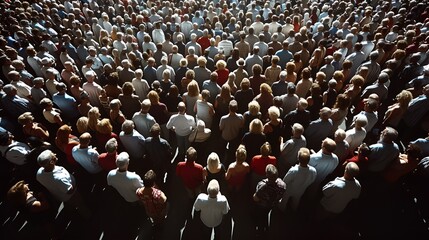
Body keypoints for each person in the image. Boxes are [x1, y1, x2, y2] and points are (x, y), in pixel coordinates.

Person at [36, 149, 91, 219]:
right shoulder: (59, 178)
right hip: (71, 196)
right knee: (80, 204)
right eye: (53, 155)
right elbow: (69, 191)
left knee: (69, 204)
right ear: (51, 162)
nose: (55, 154)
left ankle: (71, 211)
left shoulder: (39, 172)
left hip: (60, 195)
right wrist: (75, 183)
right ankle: (88, 216)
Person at [253, 164, 286, 237]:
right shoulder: (282, 185)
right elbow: (281, 196)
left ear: (266, 174)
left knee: (261, 217)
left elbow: (255, 198)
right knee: (267, 215)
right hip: (272, 205)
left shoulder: (262, 186)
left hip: (262, 206)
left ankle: (260, 231)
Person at [279, 148, 317, 212]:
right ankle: (294, 209)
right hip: (301, 190)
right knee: (296, 200)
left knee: (284, 200)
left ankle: (281, 209)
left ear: (298, 158)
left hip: (289, 189)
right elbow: (312, 180)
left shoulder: (293, 170)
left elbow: (285, 180)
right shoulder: (313, 170)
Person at [136, 170, 168, 238]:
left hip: (149, 210)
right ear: (153, 183)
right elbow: (164, 200)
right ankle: (160, 226)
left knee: (154, 218)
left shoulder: (138, 192)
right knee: (160, 219)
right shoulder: (157, 194)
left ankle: (155, 223)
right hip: (158, 211)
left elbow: (140, 201)